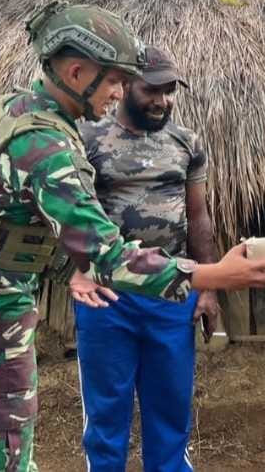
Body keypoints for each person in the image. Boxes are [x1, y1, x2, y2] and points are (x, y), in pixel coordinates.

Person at [0, 2, 265, 472]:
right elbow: (108, 255)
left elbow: (3, 222)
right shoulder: (48, 147)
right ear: (78, 72)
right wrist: (214, 275)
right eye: (117, 80)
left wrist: (70, 269)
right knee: (2, 460)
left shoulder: (14, 112)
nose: (119, 92)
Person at [76, 46, 218, 472]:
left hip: (171, 294)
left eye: (170, 90)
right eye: (152, 90)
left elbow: (198, 216)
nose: (162, 100)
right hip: (108, 296)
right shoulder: (90, 140)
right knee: (106, 411)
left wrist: (207, 287)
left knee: (170, 404)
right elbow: (73, 217)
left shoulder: (186, 142)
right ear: (124, 87)